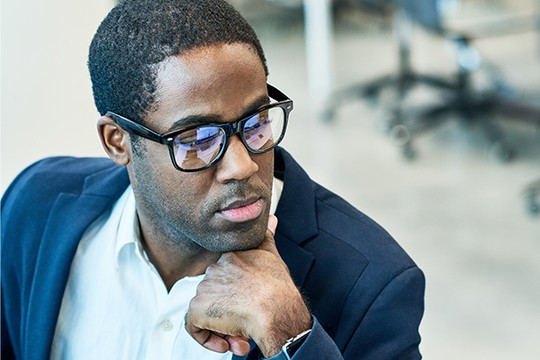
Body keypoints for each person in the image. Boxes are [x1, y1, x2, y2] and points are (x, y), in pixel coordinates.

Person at [0, 0, 425, 359]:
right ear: (118, 142)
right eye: (198, 139)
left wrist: (290, 335)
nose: (242, 166)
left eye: (256, 122)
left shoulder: (373, 284)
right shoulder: (36, 208)